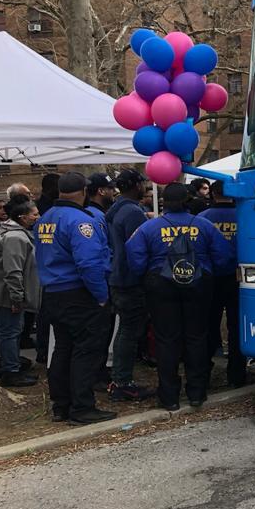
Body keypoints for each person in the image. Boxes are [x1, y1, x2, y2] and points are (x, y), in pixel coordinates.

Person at [126, 183, 229, 411]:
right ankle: (196, 393)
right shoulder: (205, 225)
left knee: (166, 339)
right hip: (199, 285)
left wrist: (146, 277)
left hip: (161, 286)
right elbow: (223, 256)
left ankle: (169, 397)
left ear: (164, 202)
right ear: (187, 201)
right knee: (197, 337)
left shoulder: (149, 227)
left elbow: (134, 256)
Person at [33, 172, 116, 424]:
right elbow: (89, 264)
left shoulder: (44, 218)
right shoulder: (82, 222)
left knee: (63, 348)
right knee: (86, 350)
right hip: (79, 293)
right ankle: (82, 407)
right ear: (83, 191)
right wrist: (101, 296)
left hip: (53, 293)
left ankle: (61, 405)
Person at [104, 169, 155, 401]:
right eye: (143, 183)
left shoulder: (115, 208)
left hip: (117, 276)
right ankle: (122, 381)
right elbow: (137, 248)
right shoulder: (132, 211)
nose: (145, 186)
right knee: (129, 331)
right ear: (135, 185)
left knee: (125, 329)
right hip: (130, 280)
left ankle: (120, 378)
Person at [200, 181, 246, 387]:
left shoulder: (202, 218)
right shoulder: (244, 215)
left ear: (213, 194)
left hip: (210, 278)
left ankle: (203, 375)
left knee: (208, 325)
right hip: (239, 277)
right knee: (237, 326)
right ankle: (237, 375)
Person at [0, 199, 41, 387]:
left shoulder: (19, 234)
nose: (38, 217)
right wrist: (17, 297)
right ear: (23, 217)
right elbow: (13, 271)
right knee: (10, 332)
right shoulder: (15, 238)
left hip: (10, 294)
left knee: (12, 330)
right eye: (34, 214)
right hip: (8, 296)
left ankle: (12, 364)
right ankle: (11, 371)